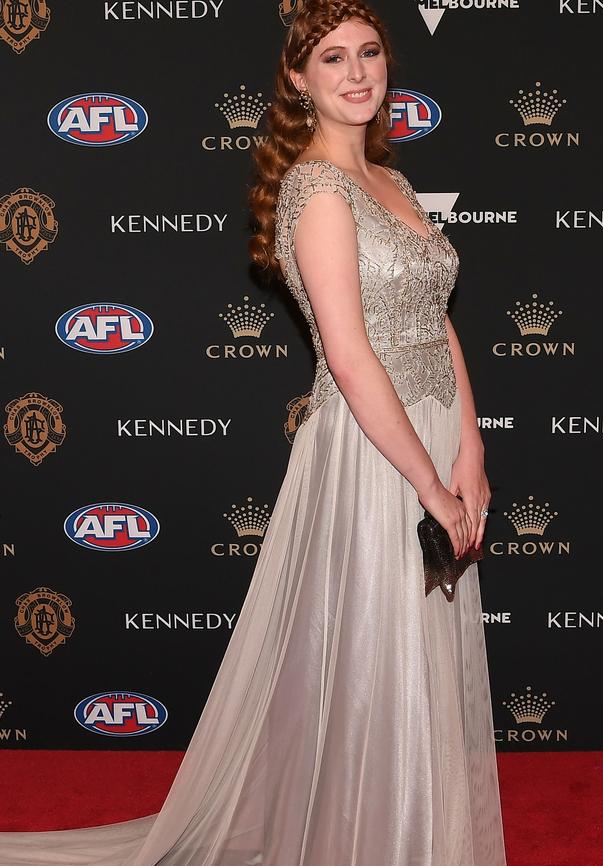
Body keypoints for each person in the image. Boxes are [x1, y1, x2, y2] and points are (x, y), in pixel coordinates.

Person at [0, 2, 507, 864]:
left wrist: (474, 448)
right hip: (371, 451)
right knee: (370, 661)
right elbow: (348, 357)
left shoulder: (393, 180)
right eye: (333, 58)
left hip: (434, 431)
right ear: (300, 82)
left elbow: (437, 315)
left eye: (370, 53)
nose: (356, 72)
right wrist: (429, 482)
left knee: (420, 657)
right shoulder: (315, 188)